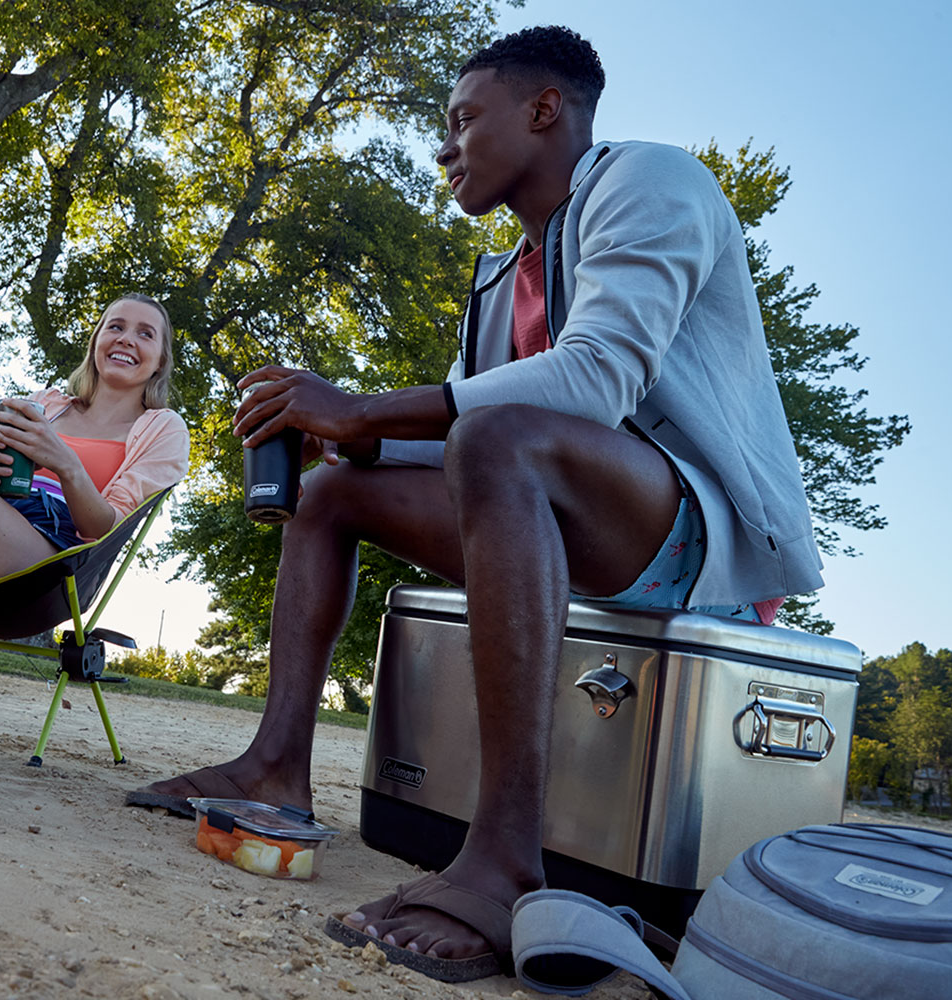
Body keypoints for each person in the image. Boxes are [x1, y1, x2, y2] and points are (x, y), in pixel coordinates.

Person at [127, 26, 823, 983]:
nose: (444, 147)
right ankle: (274, 765)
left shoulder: (651, 183)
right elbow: (459, 426)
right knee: (334, 494)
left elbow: (595, 381)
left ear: (545, 111)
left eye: (462, 119)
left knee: (499, 438)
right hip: (556, 516)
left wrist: (372, 408)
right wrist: (348, 429)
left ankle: (502, 862)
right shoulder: (501, 276)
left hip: (688, 540)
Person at [0, 293, 190, 590]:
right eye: (115, 327)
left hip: (52, 561)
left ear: (161, 361)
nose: (125, 339)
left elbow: (106, 531)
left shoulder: (164, 429)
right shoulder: (45, 403)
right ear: (96, 342)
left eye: (145, 334)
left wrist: (66, 464)